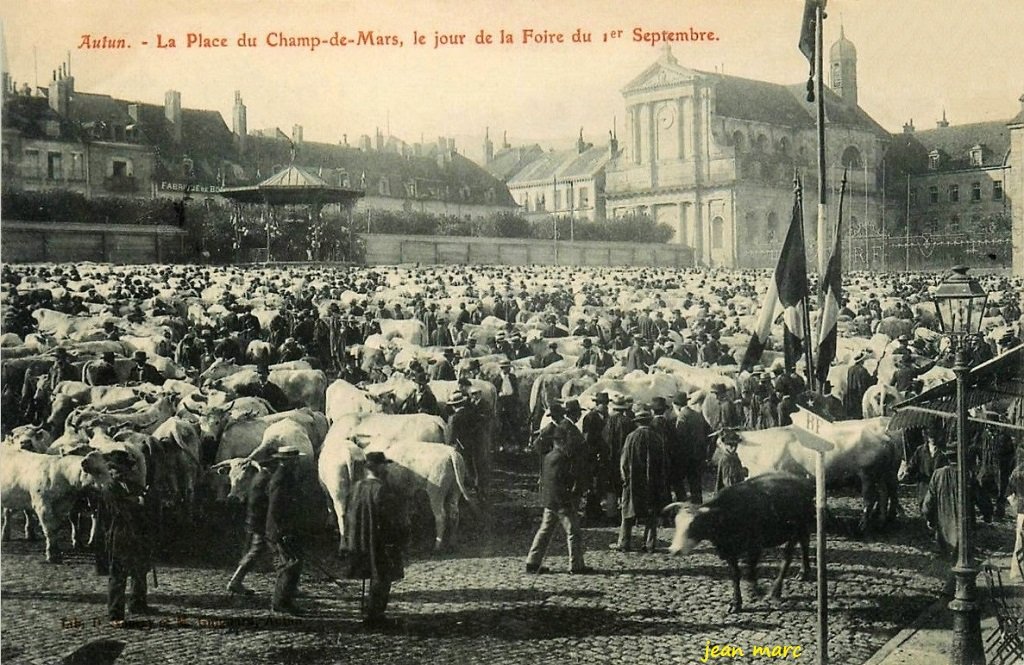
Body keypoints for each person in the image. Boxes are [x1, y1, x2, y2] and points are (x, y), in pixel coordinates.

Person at [347, 451, 408, 628]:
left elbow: (351, 515)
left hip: (362, 540)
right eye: (384, 466)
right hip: (380, 542)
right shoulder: (382, 489)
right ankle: (375, 615)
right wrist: (397, 542)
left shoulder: (357, 487)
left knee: (372, 574)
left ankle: (371, 612)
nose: (387, 469)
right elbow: (390, 521)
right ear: (379, 468)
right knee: (382, 577)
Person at [525, 426, 594, 575]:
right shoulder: (561, 458)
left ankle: (532, 561)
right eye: (567, 440)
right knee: (573, 532)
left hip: (550, 501)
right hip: (561, 502)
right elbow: (559, 482)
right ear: (562, 441)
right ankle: (576, 565)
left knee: (545, 531)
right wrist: (567, 499)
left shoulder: (549, 456)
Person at [100, 451, 153, 621]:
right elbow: (120, 510)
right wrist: (138, 502)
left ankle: (138, 603)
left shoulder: (133, 486)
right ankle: (115, 614)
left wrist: (145, 499)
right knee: (118, 575)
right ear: (110, 470)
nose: (121, 473)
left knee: (140, 570)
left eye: (125, 469)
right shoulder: (109, 489)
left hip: (137, 534)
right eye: (117, 470)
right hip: (119, 535)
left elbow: (147, 503)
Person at [611, 406, 670, 553]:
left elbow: (623, 462)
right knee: (652, 514)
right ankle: (650, 544)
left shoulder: (631, 437)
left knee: (628, 513)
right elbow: (663, 463)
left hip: (633, 482)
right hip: (652, 483)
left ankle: (624, 542)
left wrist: (624, 479)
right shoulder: (657, 438)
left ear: (637, 422)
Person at [265, 446, 309, 615]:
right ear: (288, 461)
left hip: (285, 529)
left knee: (292, 564)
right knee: (291, 564)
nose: (298, 462)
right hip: (281, 531)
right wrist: (283, 532)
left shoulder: (286, 475)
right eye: (295, 459)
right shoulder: (282, 478)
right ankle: (281, 602)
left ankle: (283, 600)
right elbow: (275, 508)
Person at [226, 459, 273, 595]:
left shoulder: (258, 480)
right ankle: (235, 581)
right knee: (258, 551)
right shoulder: (263, 480)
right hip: (262, 524)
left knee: (267, 552)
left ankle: (289, 586)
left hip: (258, 522)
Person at [673, 390, 710, 504]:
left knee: (678, 479)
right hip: (698, 454)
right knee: (696, 482)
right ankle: (697, 503)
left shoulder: (682, 417)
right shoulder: (697, 415)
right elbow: (706, 432)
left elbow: (680, 438)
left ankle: (682, 502)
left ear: (677, 405)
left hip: (687, 455)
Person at [713, 428, 748, 492]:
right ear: (725, 445)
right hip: (729, 492)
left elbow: (737, 471)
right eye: (731, 445)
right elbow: (727, 481)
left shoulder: (734, 457)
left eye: (735, 445)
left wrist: (743, 471)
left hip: (736, 488)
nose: (734, 448)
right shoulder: (726, 459)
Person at [845, 351, 876, 419]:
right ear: (862, 361)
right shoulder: (862, 370)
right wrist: (874, 376)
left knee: (853, 412)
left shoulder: (850, 369)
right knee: (860, 412)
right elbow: (868, 382)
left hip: (851, 392)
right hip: (859, 394)